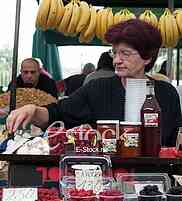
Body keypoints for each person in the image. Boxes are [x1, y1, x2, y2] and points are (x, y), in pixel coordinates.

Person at [7, 19, 182, 147]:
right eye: (115, 53)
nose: (117, 61)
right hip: (109, 182)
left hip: (157, 181)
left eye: (125, 54)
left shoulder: (166, 93)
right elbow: (58, 112)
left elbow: (176, 139)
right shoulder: (98, 89)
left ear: (147, 58)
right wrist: (33, 110)